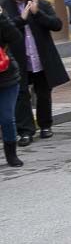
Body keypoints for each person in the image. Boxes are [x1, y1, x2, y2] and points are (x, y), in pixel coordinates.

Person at [3, 0, 67, 145]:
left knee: (44, 93)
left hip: (40, 58)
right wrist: (21, 20)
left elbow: (57, 25)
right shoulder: (4, 6)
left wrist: (37, 14)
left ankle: (46, 125)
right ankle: (25, 131)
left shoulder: (41, 4)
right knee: (21, 95)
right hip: (17, 60)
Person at [0, 8, 22, 167]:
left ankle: (11, 154)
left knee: (7, 118)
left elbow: (15, 36)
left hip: (5, 75)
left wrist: (1, 17)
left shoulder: (2, 15)